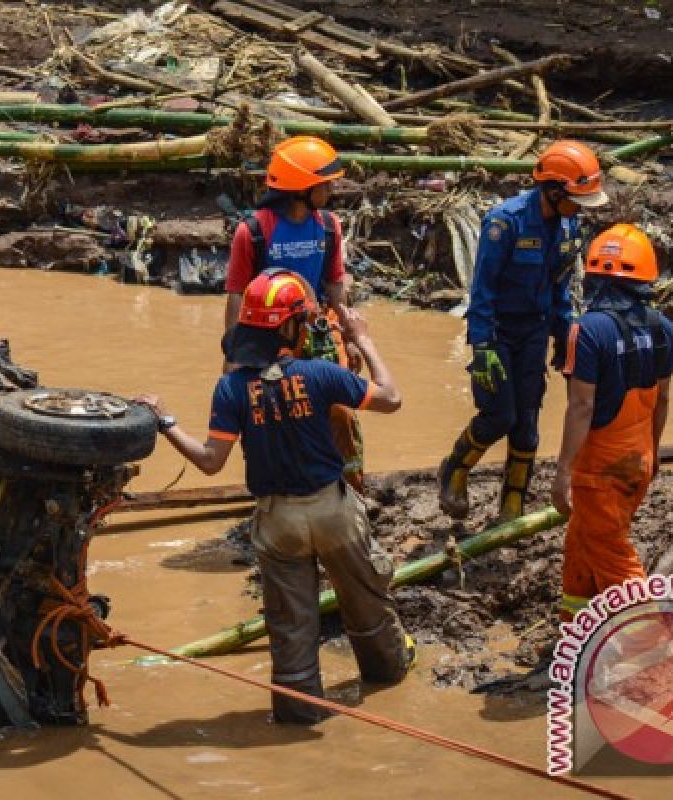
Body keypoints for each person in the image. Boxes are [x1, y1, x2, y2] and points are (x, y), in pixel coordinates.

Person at [136, 268, 414, 724]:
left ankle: (299, 717)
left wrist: (166, 422)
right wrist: (363, 340)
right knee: (367, 606)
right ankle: (387, 680)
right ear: (289, 327)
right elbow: (391, 398)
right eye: (302, 322)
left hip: (278, 520)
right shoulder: (321, 374)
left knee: (291, 633)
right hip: (333, 511)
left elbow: (210, 461)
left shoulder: (231, 389)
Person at [438, 139, 609, 524]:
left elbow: (560, 287)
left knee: (527, 426)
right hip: (498, 333)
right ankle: (454, 470)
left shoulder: (569, 224)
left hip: (534, 332)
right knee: (499, 415)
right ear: (553, 190)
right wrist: (482, 346)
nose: (580, 208)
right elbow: (482, 289)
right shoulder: (505, 222)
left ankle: (511, 507)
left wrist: (565, 338)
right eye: (575, 199)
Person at [223, 135, 367, 492]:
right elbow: (237, 295)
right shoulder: (253, 231)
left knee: (340, 411)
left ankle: (351, 489)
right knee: (269, 414)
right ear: (301, 188)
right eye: (325, 183)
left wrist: (351, 335)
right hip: (269, 336)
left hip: (317, 330)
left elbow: (334, 284)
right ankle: (279, 489)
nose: (331, 188)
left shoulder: (329, 226)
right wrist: (233, 355)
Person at [550, 224, 673, 620]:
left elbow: (581, 407)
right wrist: (653, 455)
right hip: (637, 462)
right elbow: (662, 399)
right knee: (583, 542)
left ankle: (649, 655)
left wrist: (562, 471)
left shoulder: (587, 330)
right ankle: (578, 629)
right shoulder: (663, 328)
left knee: (616, 560)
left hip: (599, 470)